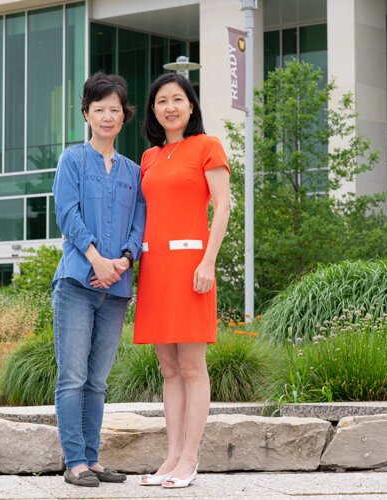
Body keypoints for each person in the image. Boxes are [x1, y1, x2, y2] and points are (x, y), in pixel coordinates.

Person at [134, 72, 231, 489]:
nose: (169, 107)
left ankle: (190, 459)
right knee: (168, 368)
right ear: (154, 110)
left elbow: (224, 207)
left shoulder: (207, 146)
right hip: (155, 268)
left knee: (192, 366)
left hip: (192, 266)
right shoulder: (148, 157)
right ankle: (171, 457)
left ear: (191, 106)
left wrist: (208, 261)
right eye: (161, 101)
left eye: (177, 99)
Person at [52, 71, 146, 488]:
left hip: (117, 289)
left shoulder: (132, 170)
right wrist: (95, 258)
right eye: (99, 109)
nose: (107, 116)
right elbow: (67, 214)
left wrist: (124, 259)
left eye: (114, 109)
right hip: (76, 283)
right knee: (72, 375)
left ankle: (93, 457)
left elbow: (139, 222)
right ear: (87, 113)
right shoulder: (72, 160)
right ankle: (74, 461)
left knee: (98, 380)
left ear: (123, 116)